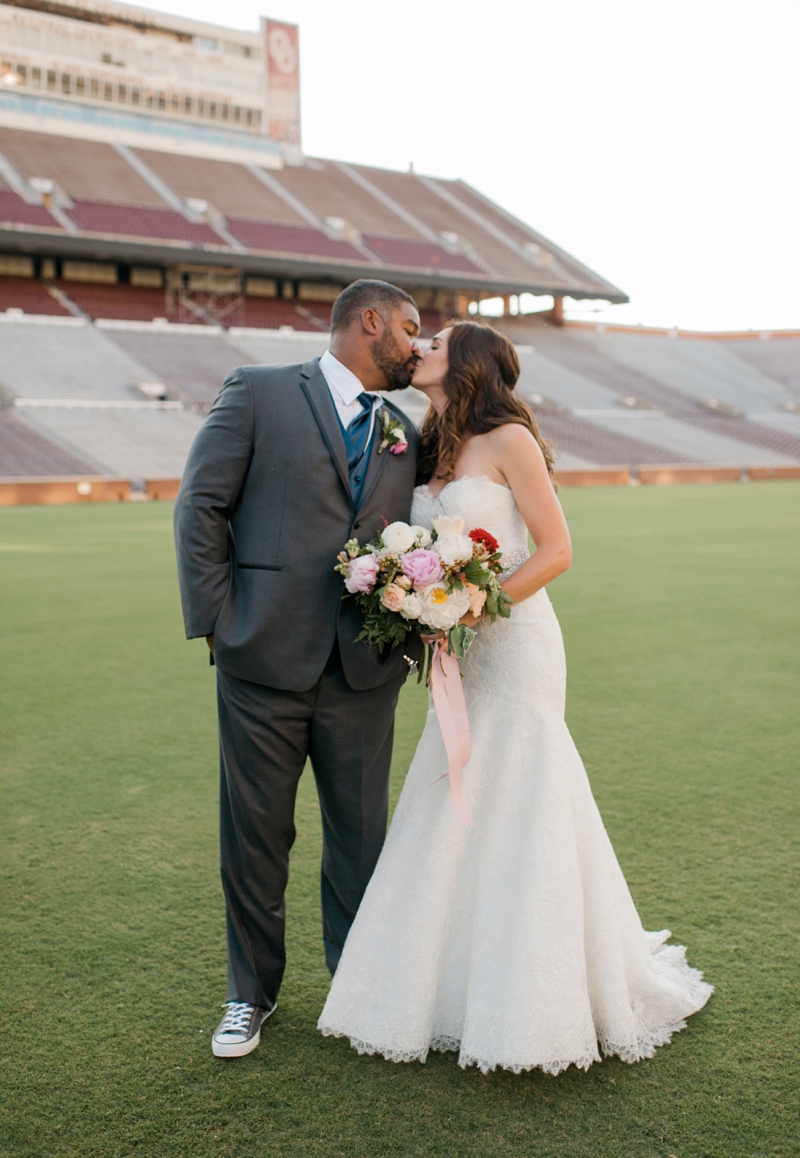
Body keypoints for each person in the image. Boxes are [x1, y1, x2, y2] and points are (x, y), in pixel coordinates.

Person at [318, 321, 712, 1075]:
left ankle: (535, 990)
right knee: (453, 792)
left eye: (433, 340)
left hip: (516, 645)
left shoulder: (508, 440)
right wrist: (415, 596)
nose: (419, 346)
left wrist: (475, 606)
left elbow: (557, 549)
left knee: (522, 793)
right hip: (455, 651)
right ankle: (443, 986)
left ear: (465, 362)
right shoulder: (425, 445)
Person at [174, 279, 422, 1058]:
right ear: (370, 322)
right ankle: (250, 996)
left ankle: (358, 991)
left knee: (361, 840)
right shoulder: (259, 391)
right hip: (261, 662)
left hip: (363, 671)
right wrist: (218, 624)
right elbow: (199, 506)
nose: (419, 344)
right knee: (255, 837)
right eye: (412, 328)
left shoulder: (403, 433)